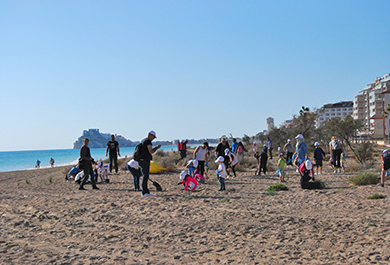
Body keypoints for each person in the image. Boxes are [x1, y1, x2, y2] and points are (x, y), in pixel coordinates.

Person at [138, 130, 161, 197]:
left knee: (145, 176)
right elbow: (151, 151)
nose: (153, 138)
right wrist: (157, 147)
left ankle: (145, 191)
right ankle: (145, 192)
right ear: (150, 135)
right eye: (153, 137)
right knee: (145, 176)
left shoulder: (143, 140)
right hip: (144, 161)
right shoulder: (148, 141)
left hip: (141, 160)